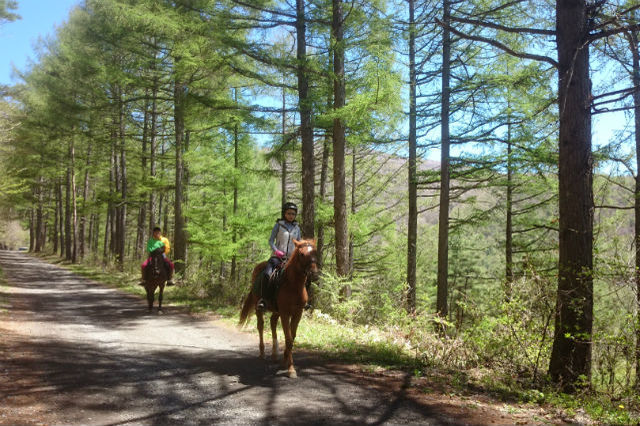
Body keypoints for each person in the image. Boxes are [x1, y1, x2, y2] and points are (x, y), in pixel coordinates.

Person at [257, 202, 302, 310]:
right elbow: (271, 241)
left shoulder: (297, 228)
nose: (291, 216)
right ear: (284, 214)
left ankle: (303, 301)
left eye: (293, 214)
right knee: (267, 274)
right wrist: (276, 251)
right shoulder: (279, 225)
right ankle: (263, 299)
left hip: (291, 259)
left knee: (305, 275)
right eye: (289, 213)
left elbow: (299, 243)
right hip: (277, 258)